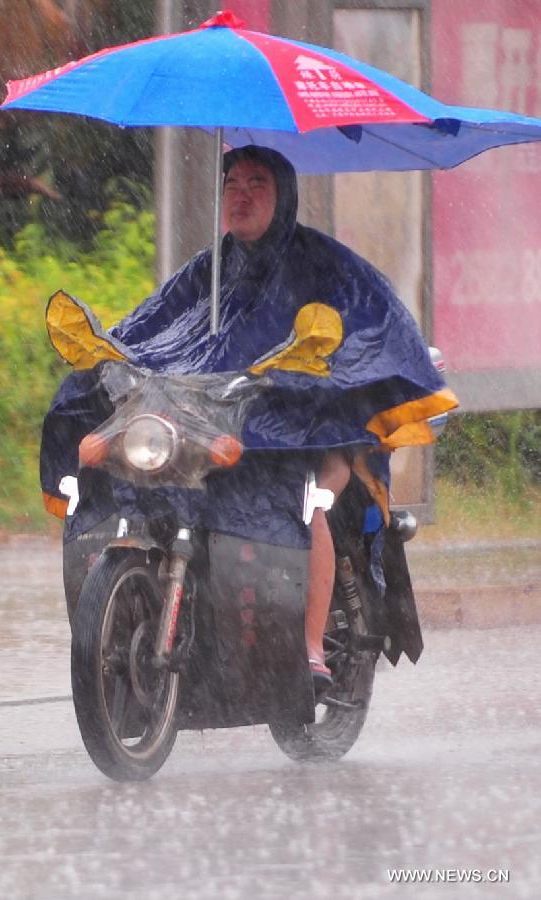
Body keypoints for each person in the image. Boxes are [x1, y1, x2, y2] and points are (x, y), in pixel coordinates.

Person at [41, 144, 457, 687]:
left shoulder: (323, 263)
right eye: (232, 183)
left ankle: (309, 649)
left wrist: (305, 381)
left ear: (282, 195)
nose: (241, 195)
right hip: (222, 422)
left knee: (310, 495)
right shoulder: (209, 270)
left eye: (257, 183)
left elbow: (368, 327)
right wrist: (107, 359)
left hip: (310, 425)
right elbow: (153, 327)